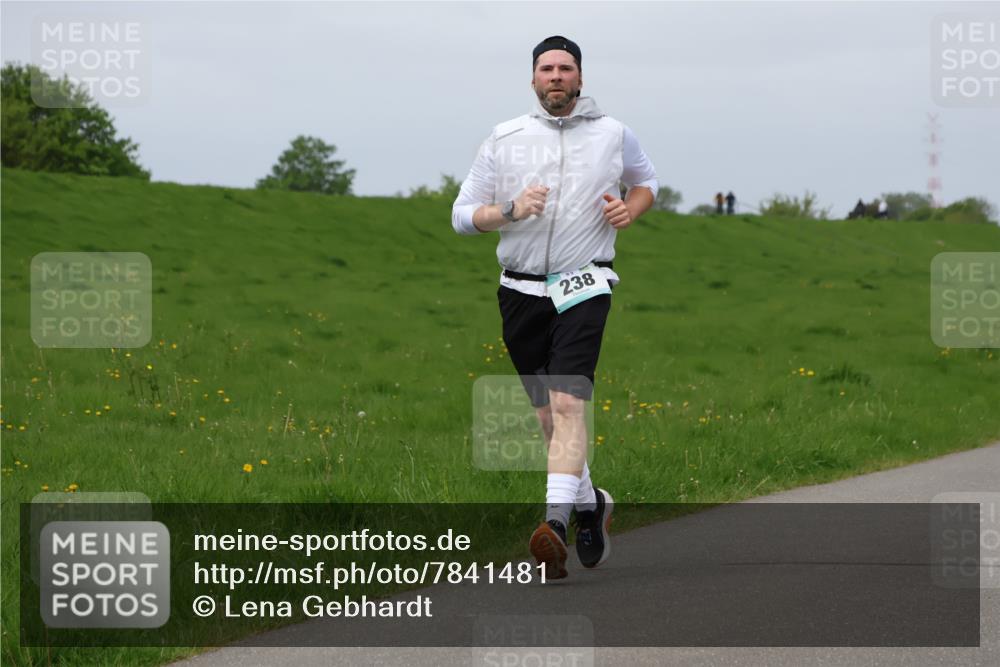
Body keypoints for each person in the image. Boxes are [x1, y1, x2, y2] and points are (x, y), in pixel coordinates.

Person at [451, 35, 658, 579]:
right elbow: (462, 215)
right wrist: (511, 209)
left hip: (585, 282)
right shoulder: (505, 138)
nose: (557, 76)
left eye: (566, 68)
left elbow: (646, 182)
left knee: (568, 406)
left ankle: (554, 525)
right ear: (533, 79)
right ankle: (592, 505)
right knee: (548, 420)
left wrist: (630, 210)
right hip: (519, 292)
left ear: (581, 78)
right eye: (547, 69)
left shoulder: (614, 134)